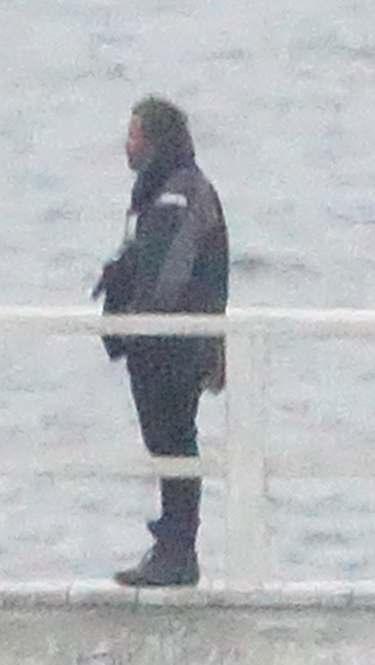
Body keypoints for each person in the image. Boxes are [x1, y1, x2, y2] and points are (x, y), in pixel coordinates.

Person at [93, 96, 229, 587]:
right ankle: (171, 544)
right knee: (165, 441)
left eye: (133, 135)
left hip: (175, 344)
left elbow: (170, 272)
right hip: (156, 344)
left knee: (175, 440)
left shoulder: (181, 193)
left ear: (153, 140)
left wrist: (144, 323)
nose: (127, 145)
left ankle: (178, 550)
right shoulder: (157, 191)